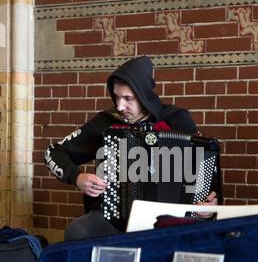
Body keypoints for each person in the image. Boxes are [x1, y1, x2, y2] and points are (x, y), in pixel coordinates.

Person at [44, 56, 218, 241]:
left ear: (144, 96)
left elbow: (204, 169)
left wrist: (209, 204)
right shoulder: (106, 123)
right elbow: (53, 152)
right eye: (117, 97)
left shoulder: (177, 120)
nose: (120, 106)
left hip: (171, 220)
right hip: (114, 220)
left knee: (202, 236)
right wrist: (77, 177)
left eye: (128, 98)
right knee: (78, 231)